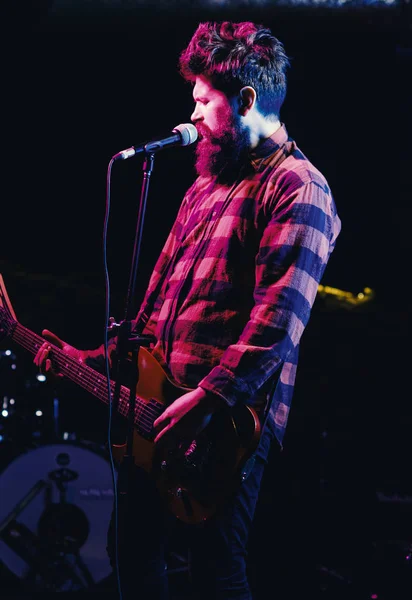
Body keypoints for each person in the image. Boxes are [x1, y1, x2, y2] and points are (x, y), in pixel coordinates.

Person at [34, 20, 341, 600]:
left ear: (246, 100)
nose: (193, 112)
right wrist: (91, 360)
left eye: (204, 99)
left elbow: (278, 321)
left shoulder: (298, 187)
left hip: (224, 430)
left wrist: (210, 396)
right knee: (133, 560)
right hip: (155, 412)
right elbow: (153, 314)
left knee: (216, 577)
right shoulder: (202, 186)